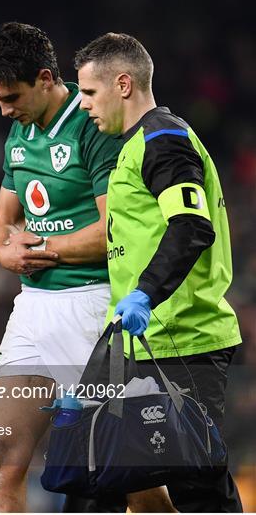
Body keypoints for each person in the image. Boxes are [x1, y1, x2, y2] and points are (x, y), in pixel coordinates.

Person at [0, 22, 176, 513]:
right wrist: (5, 253)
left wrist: (43, 246)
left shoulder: (94, 126)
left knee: (133, 479)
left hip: (92, 307)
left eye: (11, 96)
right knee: (3, 462)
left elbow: (112, 231)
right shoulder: (19, 132)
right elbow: (2, 226)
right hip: (33, 310)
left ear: (45, 78)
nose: (4, 111)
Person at [75, 32, 243, 513]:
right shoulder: (134, 146)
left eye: (89, 92)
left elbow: (190, 226)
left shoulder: (163, 139)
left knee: (197, 485)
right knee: (94, 475)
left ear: (123, 84)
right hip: (132, 344)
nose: (84, 105)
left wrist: (145, 293)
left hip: (181, 340)